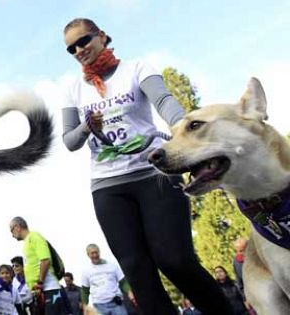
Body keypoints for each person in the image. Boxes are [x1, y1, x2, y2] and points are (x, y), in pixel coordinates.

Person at [61, 18, 233, 315]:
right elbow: (69, 141)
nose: (79, 49)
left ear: (101, 36)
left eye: (84, 40)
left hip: (154, 176)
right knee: (137, 271)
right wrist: (87, 127)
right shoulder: (73, 89)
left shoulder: (136, 69)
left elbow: (165, 102)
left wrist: (187, 131)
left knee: (174, 259)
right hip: (108, 187)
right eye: (71, 48)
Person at [9, 217, 67, 315]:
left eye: (11, 230)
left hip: (50, 290)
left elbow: (45, 260)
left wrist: (40, 283)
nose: (12, 235)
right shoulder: (27, 242)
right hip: (39, 293)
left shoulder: (34, 237)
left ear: (17, 227)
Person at [79, 244, 132, 315]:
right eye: (92, 253)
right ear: (88, 254)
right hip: (99, 306)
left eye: (96, 252)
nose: (95, 255)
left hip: (116, 303)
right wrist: (85, 305)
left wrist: (130, 292)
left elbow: (123, 282)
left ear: (99, 252)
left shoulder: (112, 266)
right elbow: (85, 291)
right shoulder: (86, 271)